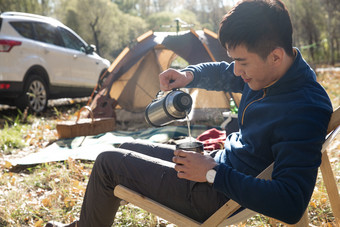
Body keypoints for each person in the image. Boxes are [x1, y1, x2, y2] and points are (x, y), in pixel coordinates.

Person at [46, 0, 333, 226]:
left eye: (241, 62)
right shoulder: (268, 73)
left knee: (108, 163)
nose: (236, 71)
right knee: (126, 147)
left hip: (216, 194)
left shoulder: (303, 109)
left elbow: (291, 203)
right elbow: (224, 71)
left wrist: (212, 174)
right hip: (218, 168)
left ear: (275, 56)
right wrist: (187, 75)